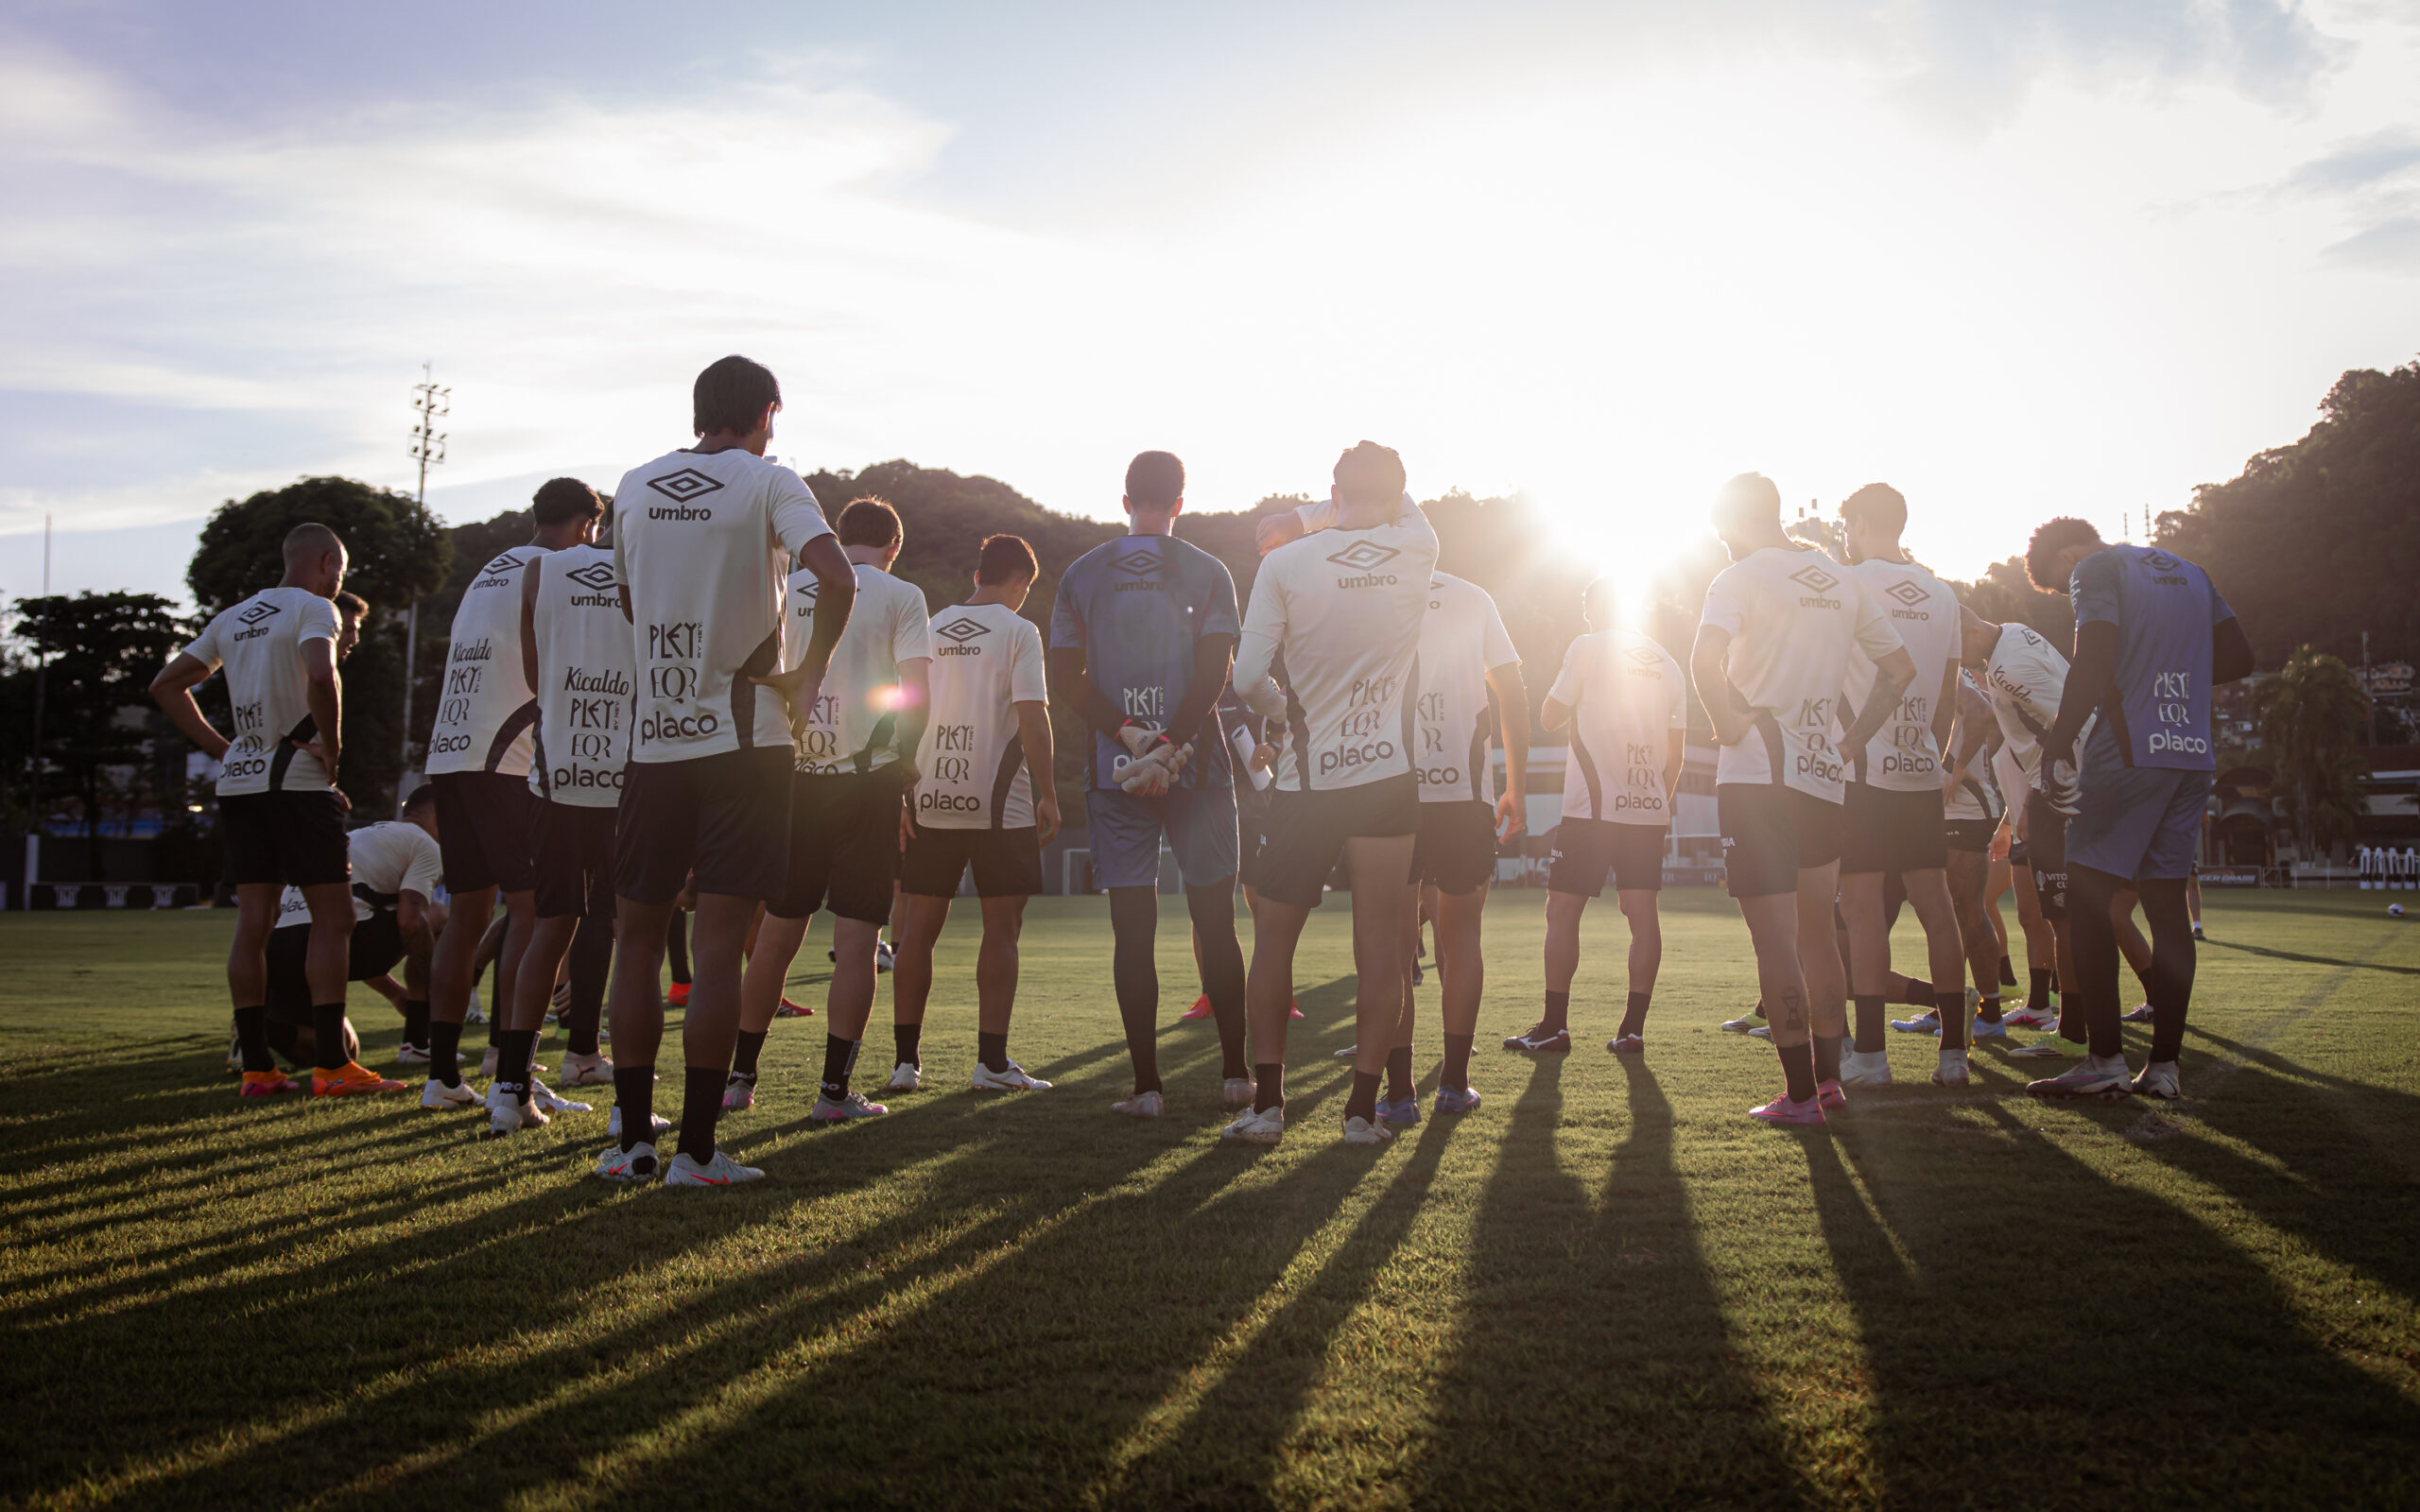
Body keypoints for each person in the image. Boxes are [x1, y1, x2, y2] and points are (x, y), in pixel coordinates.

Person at [597, 354, 855, 1186]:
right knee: (716, 948)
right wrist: (809, 673)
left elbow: (629, 600)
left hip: (654, 740)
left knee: (637, 940)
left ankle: (632, 1143)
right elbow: (837, 575)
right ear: (767, 413)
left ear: (700, 409)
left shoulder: (633, 484)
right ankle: (698, 1153)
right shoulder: (770, 480)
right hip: (745, 743)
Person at [1227, 441, 1439, 1146]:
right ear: (1399, 493)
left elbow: (1248, 677)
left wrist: (1287, 712)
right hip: (1385, 780)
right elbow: (1397, 504)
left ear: (1334, 488)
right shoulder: (1418, 547)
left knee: (1273, 943)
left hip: (1304, 782)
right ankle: (1360, 1113)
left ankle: (1268, 1107)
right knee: (1383, 953)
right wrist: (1309, 515)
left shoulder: (1285, 564)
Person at [1689, 473, 1911, 1125]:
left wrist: (1728, 725)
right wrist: (1849, 743)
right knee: (1819, 935)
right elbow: (1900, 669)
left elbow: (1702, 661)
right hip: (1821, 776)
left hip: (1757, 777)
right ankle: (1829, 1083)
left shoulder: (1738, 577)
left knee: (1775, 942)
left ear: (1733, 521)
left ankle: (1798, 1097)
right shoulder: (1843, 580)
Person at [152, 523, 403, 1097]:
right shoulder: (316, 609)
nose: (339, 582)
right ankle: (333, 1066)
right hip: (297, 783)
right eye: (340, 571)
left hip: (240, 786)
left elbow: (166, 685)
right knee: (335, 919)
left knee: (253, 924)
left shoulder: (233, 617)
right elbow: (321, 672)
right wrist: (333, 750)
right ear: (326, 562)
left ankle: (257, 1070)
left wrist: (224, 749)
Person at [1046, 451, 1253, 1119]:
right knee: (1215, 923)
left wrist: (1133, 736)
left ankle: (1146, 1089)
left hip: (1116, 772)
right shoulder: (1208, 570)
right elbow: (1215, 674)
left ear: (1125, 499)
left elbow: (1065, 678)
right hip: (1199, 767)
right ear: (1181, 502)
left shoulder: (1082, 574)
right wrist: (1171, 745)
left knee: (1132, 932)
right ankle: (1236, 1076)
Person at [2021, 520, 2252, 1100]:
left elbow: (2094, 655)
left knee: (2086, 898)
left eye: (2060, 582)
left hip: (2128, 750)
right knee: (2167, 907)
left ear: (2067, 554)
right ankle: (2165, 1068)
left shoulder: (2096, 568)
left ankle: (2104, 1060)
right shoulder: (2192, 573)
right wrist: (2174, 674)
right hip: (2191, 753)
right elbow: (2239, 656)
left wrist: (2058, 742)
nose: (2067, 588)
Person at [729, 496, 932, 1113]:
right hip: (866, 780)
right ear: (894, 546)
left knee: (776, 935)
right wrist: (906, 764)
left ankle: (739, 1081)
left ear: (838, 538)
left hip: (792, 776)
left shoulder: (791, 584)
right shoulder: (902, 594)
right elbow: (917, 693)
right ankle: (833, 1093)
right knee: (857, 939)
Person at [416, 480, 590, 1117]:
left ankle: (443, 1076)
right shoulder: (557, 569)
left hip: (451, 751)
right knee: (534, 912)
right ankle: (510, 1072)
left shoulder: (488, 572)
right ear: (585, 525)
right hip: (506, 755)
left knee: (466, 915)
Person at [887, 534, 1061, 1097]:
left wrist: (901, 793)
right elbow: (1032, 719)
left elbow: (901, 711)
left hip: (929, 798)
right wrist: (1049, 793)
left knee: (916, 932)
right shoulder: (1019, 631)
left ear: (976, 574)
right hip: (999, 807)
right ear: (1020, 583)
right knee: (1002, 930)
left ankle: (905, 1064)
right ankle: (991, 1062)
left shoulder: (930, 625)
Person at [496, 479, 631, 1137]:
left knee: (550, 928)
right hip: (627, 774)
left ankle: (510, 1089)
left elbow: (534, 673)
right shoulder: (645, 571)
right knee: (634, 933)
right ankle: (628, 1104)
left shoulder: (538, 571)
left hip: (556, 772)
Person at [1828, 485, 1972, 1090]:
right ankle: (1954, 1056)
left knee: (1861, 911)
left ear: (1860, 523)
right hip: (1920, 773)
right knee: (1937, 908)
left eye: (1846, 527)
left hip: (1862, 772)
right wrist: (1932, 758)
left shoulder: (1847, 583)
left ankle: (1870, 1058)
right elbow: (1948, 694)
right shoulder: (1943, 593)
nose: (1845, 538)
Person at [1381, 565, 1527, 1117]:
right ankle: (1453, 1085)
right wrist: (1515, 786)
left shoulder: (1371, 589)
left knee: (1395, 943)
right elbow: (1512, 692)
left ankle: (1399, 1094)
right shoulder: (1472, 596)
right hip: (1464, 795)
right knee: (1462, 939)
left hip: (1390, 790)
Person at [1519, 575, 1677, 1059]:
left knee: (1562, 911)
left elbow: (1549, 717)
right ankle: (1632, 1031)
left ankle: (1554, 1027)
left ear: (1595, 609)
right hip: (1647, 810)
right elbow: (1676, 756)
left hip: (1592, 810)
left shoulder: (1587, 646)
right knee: (1642, 915)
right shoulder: (1668, 663)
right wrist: (1655, 805)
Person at [260, 786, 444, 1070]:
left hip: (280, 948)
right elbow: (409, 922)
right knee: (436, 915)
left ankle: (261, 1028)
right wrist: (433, 986)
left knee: (344, 1050)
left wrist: (394, 992)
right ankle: (418, 1041)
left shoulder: (358, 837)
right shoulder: (425, 844)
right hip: (328, 937)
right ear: (437, 818)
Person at [1939, 670, 2014, 1039]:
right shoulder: (1944, 666)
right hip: (1949, 807)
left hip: (1965, 808)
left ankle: (1991, 1014)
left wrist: (1956, 766)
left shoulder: (1948, 669)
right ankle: (1950, 1006)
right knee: (1953, 912)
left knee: (1968, 908)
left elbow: (1984, 713)